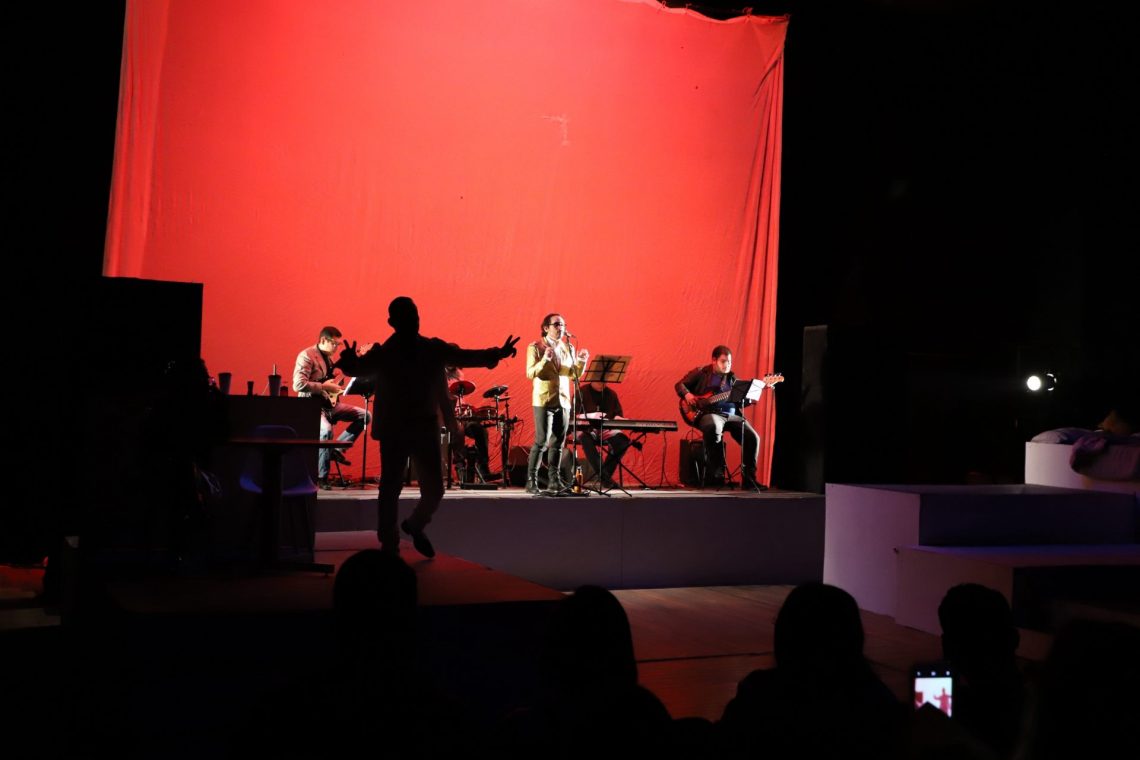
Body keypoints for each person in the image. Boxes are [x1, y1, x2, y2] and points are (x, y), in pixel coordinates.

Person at [334, 297, 518, 557]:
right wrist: (349, 362)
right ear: (393, 322)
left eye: (414, 315)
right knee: (394, 487)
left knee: (426, 489)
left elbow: (464, 356)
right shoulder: (394, 352)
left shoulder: (413, 350)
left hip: (417, 427)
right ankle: (393, 541)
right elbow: (359, 368)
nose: (414, 320)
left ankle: (410, 527)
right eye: (409, 316)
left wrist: (496, 353)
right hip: (403, 428)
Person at [675, 345, 763, 490]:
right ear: (714, 360)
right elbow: (679, 385)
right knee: (713, 425)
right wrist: (687, 394)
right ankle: (716, 472)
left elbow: (739, 402)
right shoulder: (701, 372)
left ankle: (749, 480)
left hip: (732, 415)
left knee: (753, 438)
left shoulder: (733, 379)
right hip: (709, 413)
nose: (727, 365)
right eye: (723, 361)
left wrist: (749, 400)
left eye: (729, 362)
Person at [293, 326, 371, 489]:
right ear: (323, 340)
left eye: (338, 344)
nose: (336, 347)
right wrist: (323, 387)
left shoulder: (329, 359)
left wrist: (338, 384)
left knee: (365, 416)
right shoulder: (307, 355)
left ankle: (336, 449)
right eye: (334, 344)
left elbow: (332, 382)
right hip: (311, 406)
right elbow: (298, 385)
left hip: (329, 404)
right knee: (326, 431)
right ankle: (322, 477)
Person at [525, 313, 588, 494]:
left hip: (563, 400)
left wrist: (582, 362)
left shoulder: (568, 347)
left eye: (563, 325)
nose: (561, 328)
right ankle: (531, 481)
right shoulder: (535, 347)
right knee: (541, 441)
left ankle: (554, 481)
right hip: (544, 399)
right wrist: (545, 359)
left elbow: (573, 375)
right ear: (546, 328)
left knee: (558, 443)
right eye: (557, 324)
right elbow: (530, 373)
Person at [445, 365, 500, 482]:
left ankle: (483, 469)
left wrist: (468, 409)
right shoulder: (440, 374)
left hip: (461, 415)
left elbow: (461, 397)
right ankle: (460, 466)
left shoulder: (458, 373)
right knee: (458, 431)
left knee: (480, 430)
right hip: (448, 416)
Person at [577, 381, 631, 489]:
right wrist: (590, 416)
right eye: (600, 381)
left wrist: (619, 419)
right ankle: (606, 479)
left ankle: (604, 477)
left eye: (604, 381)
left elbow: (617, 415)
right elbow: (574, 415)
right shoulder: (581, 392)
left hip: (606, 429)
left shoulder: (611, 394)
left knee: (622, 441)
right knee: (586, 439)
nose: (602, 383)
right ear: (592, 379)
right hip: (586, 428)